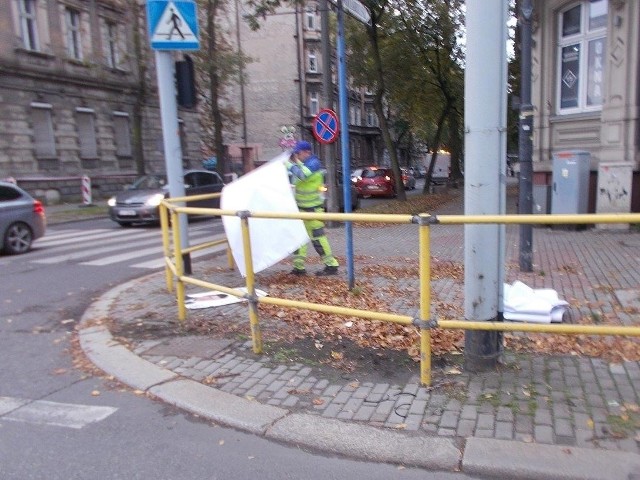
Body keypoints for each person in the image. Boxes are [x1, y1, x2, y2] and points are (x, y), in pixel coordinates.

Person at [285, 140, 339, 276]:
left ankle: (331, 265)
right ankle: (298, 267)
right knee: (299, 238)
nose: (297, 155)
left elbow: (302, 175)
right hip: (303, 209)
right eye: (296, 153)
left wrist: (288, 164)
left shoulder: (313, 163)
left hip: (313, 210)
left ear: (306, 152)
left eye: (299, 153)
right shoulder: (303, 164)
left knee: (318, 238)